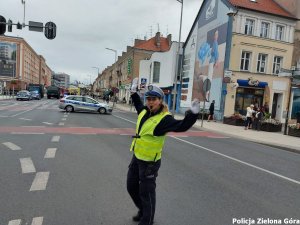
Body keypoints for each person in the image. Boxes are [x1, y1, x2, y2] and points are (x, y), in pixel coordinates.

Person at [127, 78, 200, 225]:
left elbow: (181, 126)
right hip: (137, 157)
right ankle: (143, 210)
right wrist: (134, 92)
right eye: (148, 99)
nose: (150, 102)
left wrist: (193, 113)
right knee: (131, 186)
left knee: (146, 192)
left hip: (150, 163)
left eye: (154, 99)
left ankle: (147, 220)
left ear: (160, 100)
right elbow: (138, 104)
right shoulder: (144, 111)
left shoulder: (164, 119)